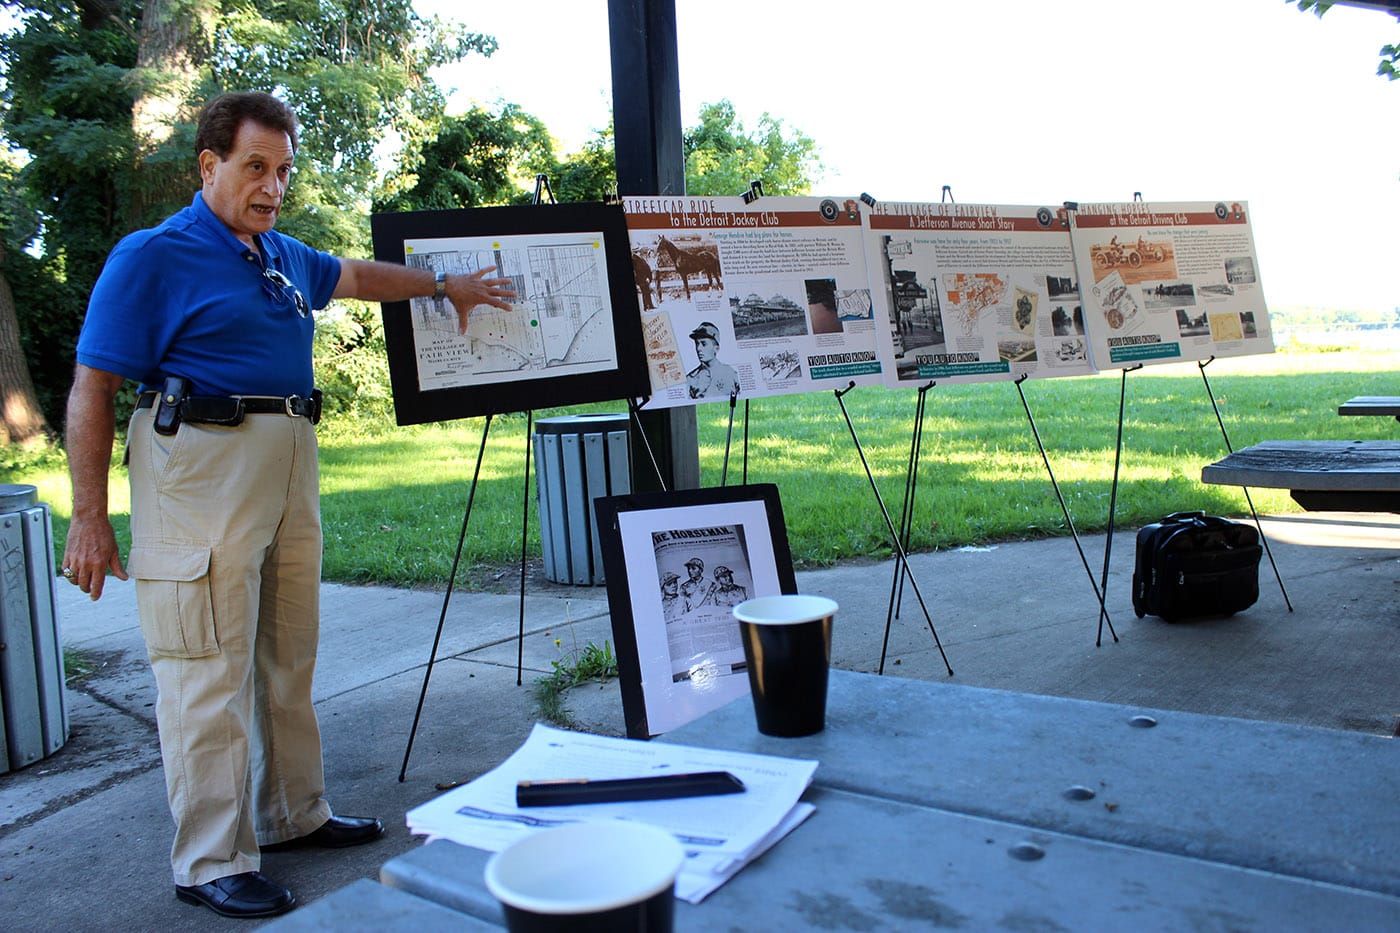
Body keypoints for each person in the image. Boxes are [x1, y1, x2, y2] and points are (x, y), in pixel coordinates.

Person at [59, 91, 516, 920]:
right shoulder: (152, 255)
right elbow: (91, 388)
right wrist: (88, 513)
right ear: (210, 165)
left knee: (286, 651)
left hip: (290, 459)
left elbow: (357, 275)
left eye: (284, 172)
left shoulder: (274, 254)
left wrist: (443, 283)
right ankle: (208, 859)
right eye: (255, 167)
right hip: (199, 467)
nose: (272, 187)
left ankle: (290, 815)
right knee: (205, 665)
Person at [685, 321, 740, 399]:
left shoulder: (730, 374)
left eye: (704, 344)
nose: (698, 348)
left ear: (716, 348)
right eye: (697, 344)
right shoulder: (691, 379)